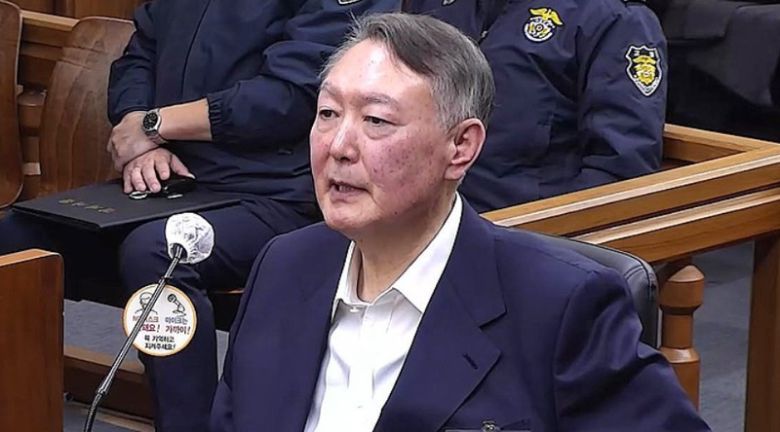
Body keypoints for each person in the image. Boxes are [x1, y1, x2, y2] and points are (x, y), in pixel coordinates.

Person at [210, 13, 710, 432]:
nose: (338, 146)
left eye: (376, 121)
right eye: (327, 113)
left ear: (461, 147)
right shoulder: (283, 266)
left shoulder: (560, 305)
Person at [0, 0, 396, 430]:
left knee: (160, 252)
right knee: (19, 234)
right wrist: (139, 136)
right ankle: (23, 412)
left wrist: (156, 125)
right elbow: (139, 54)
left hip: (274, 193)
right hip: (171, 177)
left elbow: (291, 96)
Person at [402, 0, 668, 211]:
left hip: (527, 228)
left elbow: (621, 169)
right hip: (415, 217)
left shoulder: (613, 18)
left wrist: (550, 237)